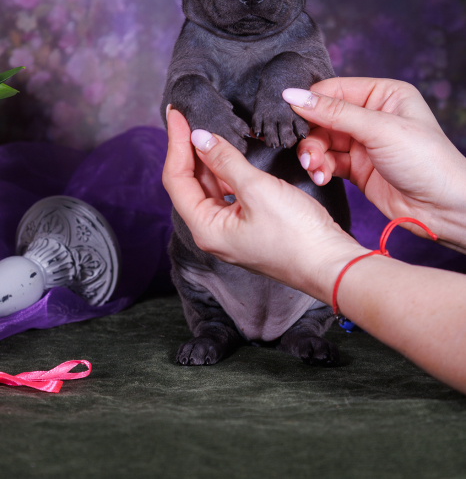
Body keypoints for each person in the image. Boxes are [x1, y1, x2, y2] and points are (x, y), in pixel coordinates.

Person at [163, 77, 466, 393]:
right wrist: (454, 203)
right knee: (190, 265)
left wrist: (327, 260)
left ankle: (304, 326)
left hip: (299, 296)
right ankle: (214, 325)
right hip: (217, 281)